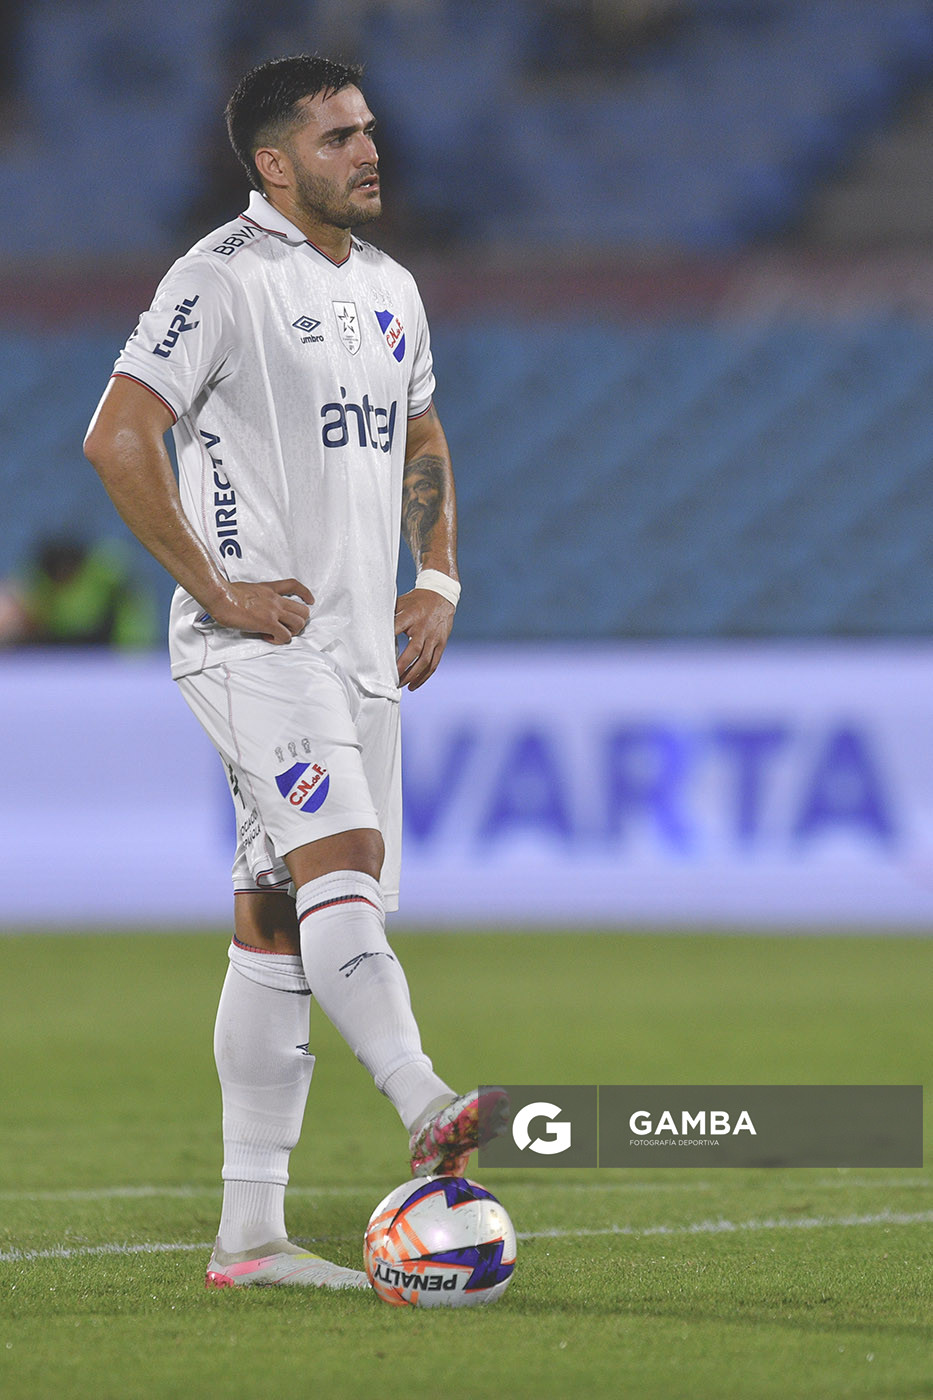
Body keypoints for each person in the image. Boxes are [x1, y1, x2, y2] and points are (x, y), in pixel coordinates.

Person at [84, 53, 506, 1292]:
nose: (369, 151)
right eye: (337, 138)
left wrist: (436, 577)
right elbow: (119, 435)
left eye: (368, 130)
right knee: (347, 865)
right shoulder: (218, 280)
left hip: (358, 657)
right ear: (274, 164)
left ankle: (251, 1237)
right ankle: (423, 1094)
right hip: (253, 648)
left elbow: (421, 430)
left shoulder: (391, 287)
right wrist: (219, 590)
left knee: (273, 923)